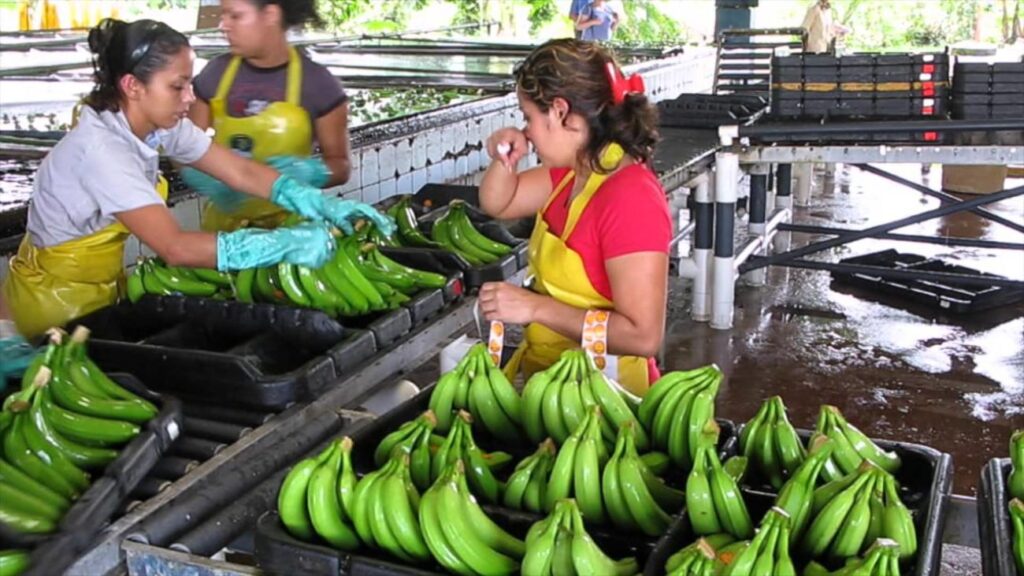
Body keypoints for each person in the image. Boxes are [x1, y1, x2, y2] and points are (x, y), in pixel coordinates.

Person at [0, 18, 392, 341]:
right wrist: (278, 246)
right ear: (132, 86)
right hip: (52, 307)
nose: (190, 97)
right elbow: (176, 248)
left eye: (189, 82)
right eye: (177, 86)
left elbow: (238, 169)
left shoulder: (155, 125)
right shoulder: (102, 152)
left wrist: (306, 197)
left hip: (99, 292)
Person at [477, 39, 670, 396]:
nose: (528, 132)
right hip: (552, 385)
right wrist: (504, 159)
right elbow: (498, 203)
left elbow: (643, 336)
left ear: (560, 111)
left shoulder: (630, 197)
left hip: (611, 399)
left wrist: (535, 308)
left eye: (528, 117)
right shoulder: (573, 172)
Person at [185, 0, 353, 232]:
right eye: (223, 16)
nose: (223, 25)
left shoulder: (318, 84)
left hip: (291, 230)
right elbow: (185, 142)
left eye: (235, 16)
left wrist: (308, 171)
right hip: (224, 231)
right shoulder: (215, 75)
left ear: (271, 14)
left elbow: (341, 166)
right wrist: (199, 173)